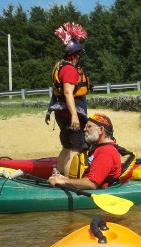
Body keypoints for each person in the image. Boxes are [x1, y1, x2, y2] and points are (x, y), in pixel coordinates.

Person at [46, 22, 91, 177]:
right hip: (70, 116)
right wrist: (74, 115)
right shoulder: (70, 70)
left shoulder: (61, 66)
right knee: (74, 149)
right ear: (76, 55)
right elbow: (67, 92)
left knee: (67, 146)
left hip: (62, 115)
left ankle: (58, 175)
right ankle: (68, 181)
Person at [48, 113, 128, 190]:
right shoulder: (99, 148)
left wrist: (64, 181)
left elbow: (91, 183)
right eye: (85, 126)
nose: (84, 129)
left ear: (101, 130)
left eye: (89, 126)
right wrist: (64, 178)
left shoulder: (106, 151)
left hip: (99, 191)